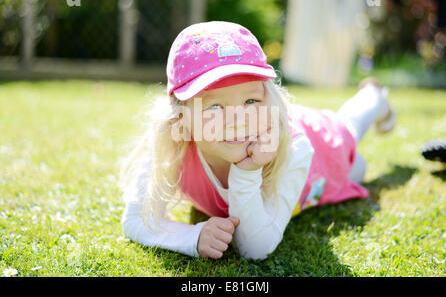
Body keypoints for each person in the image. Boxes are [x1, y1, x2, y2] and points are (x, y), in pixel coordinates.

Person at [118, 21, 396, 260]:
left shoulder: (295, 147)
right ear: (181, 117)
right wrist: (192, 235)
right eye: (214, 107)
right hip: (303, 170)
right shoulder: (170, 141)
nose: (238, 119)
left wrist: (247, 172)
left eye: (251, 100)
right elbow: (136, 219)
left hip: (321, 156)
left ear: (268, 99)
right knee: (359, 168)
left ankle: (375, 98)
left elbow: (256, 249)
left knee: (347, 135)